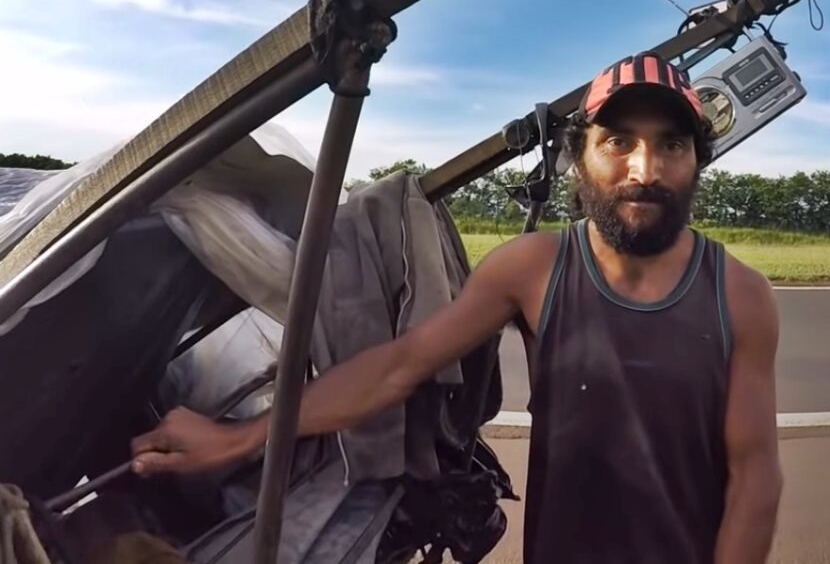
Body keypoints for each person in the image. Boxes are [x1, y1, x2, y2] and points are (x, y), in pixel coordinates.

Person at [130, 51, 783, 563]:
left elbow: (754, 473)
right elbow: (400, 366)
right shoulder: (533, 270)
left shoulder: (740, 295)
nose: (645, 167)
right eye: (618, 140)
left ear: (698, 159)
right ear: (579, 155)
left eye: (671, 143)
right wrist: (239, 438)